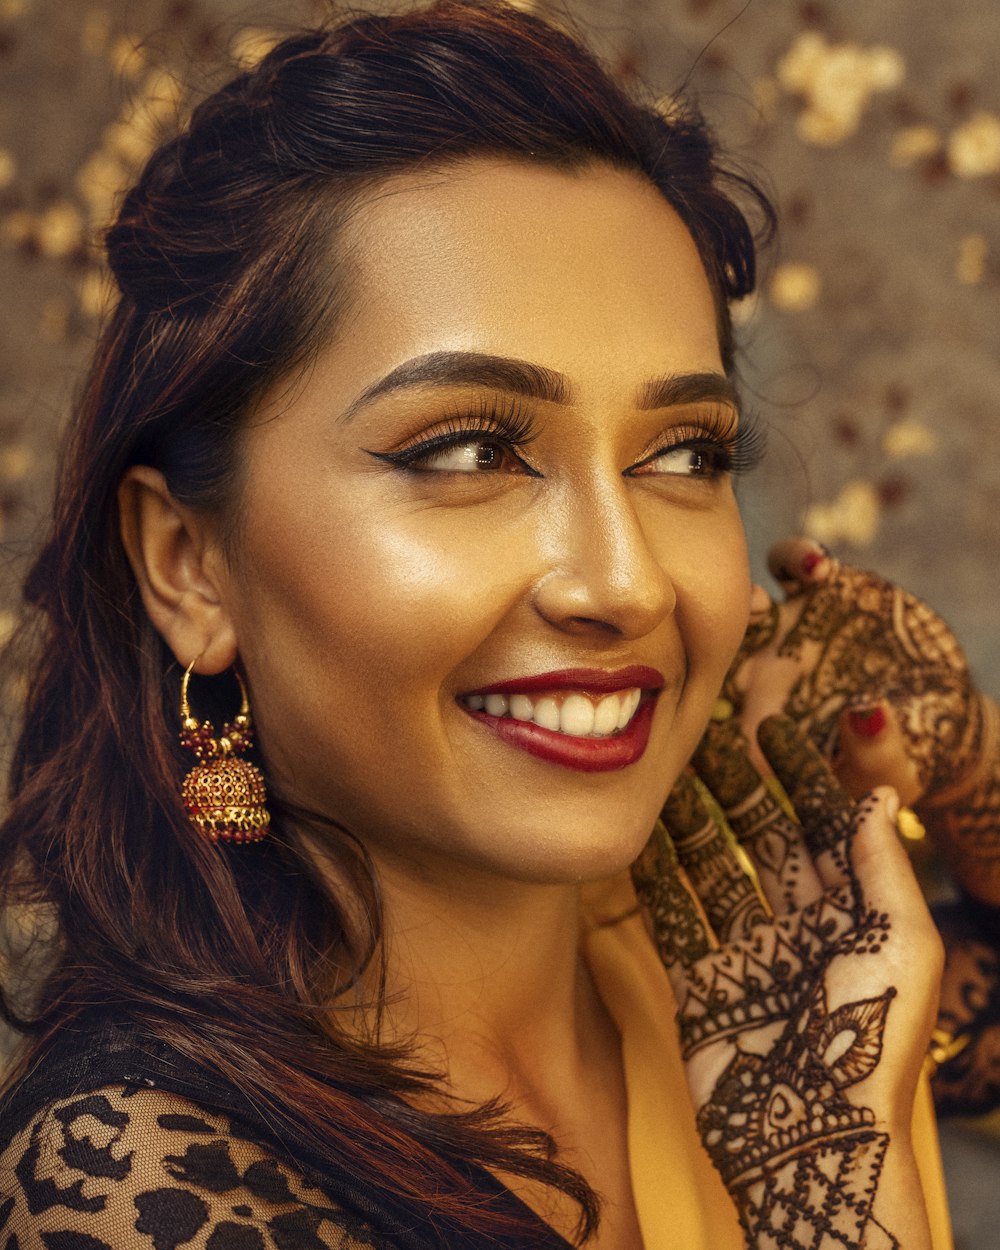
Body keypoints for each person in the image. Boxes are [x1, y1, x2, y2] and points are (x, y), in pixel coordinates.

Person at [0, 2, 951, 1246]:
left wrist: (962, 761)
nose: (626, 585)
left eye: (683, 451)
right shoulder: (140, 1181)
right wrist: (829, 1195)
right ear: (189, 565)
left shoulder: (743, 966)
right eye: (468, 448)